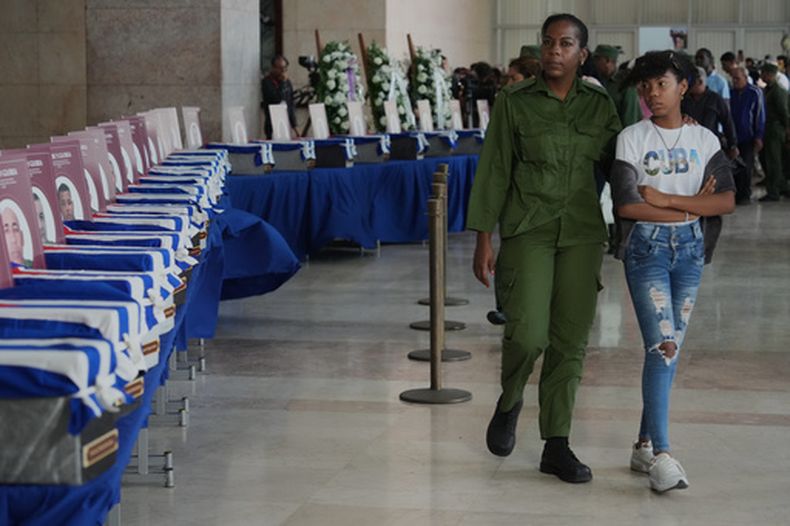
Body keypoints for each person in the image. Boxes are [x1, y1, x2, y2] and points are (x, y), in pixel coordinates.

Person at [467, 13, 621, 484]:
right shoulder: (514, 102)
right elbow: (494, 170)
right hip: (528, 229)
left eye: (566, 43)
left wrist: (675, 125)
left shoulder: (599, 105)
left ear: (582, 54)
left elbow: (625, 161)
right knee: (529, 333)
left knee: (570, 341)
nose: (555, 51)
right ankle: (511, 397)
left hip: (580, 232)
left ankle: (556, 444)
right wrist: (483, 237)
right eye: (548, 42)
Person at [611, 50, 735, 493]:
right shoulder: (631, 138)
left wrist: (664, 200)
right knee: (662, 346)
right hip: (646, 250)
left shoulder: (705, 141)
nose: (652, 93)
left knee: (669, 348)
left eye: (660, 84)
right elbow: (627, 205)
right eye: (645, 86)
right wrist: (689, 206)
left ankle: (643, 444)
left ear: (683, 86)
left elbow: (724, 201)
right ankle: (662, 455)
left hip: (690, 251)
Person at [682, 67, 739, 159]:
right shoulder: (683, 100)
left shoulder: (715, 99)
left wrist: (732, 145)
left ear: (700, 82)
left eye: (690, 81)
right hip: (688, 146)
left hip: (710, 146)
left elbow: (727, 122)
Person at [729, 65, 766, 203]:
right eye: (733, 79)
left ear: (745, 78)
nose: (735, 81)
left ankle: (745, 195)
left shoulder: (755, 92)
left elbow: (760, 116)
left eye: (737, 78)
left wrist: (759, 136)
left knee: (746, 166)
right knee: (734, 167)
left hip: (748, 136)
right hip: (733, 136)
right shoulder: (731, 93)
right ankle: (736, 194)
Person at [758, 63, 789, 201]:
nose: (761, 76)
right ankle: (781, 187)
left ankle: (774, 192)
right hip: (769, 128)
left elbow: (784, 113)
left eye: (764, 73)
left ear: (770, 74)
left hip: (775, 129)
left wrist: (787, 129)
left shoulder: (777, 91)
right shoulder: (768, 90)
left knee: (774, 161)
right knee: (769, 159)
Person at [591, 44, 643, 126]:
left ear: (607, 61)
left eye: (597, 59)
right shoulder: (599, 82)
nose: (594, 63)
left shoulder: (625, 84)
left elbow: (630, 119)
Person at [261, 54, 299, 140]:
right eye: (280, 68)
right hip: (272, 124)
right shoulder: (267, 82)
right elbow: (277, 99)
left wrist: (295, 126)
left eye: (285, 68)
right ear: (273, 68)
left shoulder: (287, 82)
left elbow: (290, 103)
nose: (283, 71)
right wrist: (282, 83)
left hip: (285, 123)